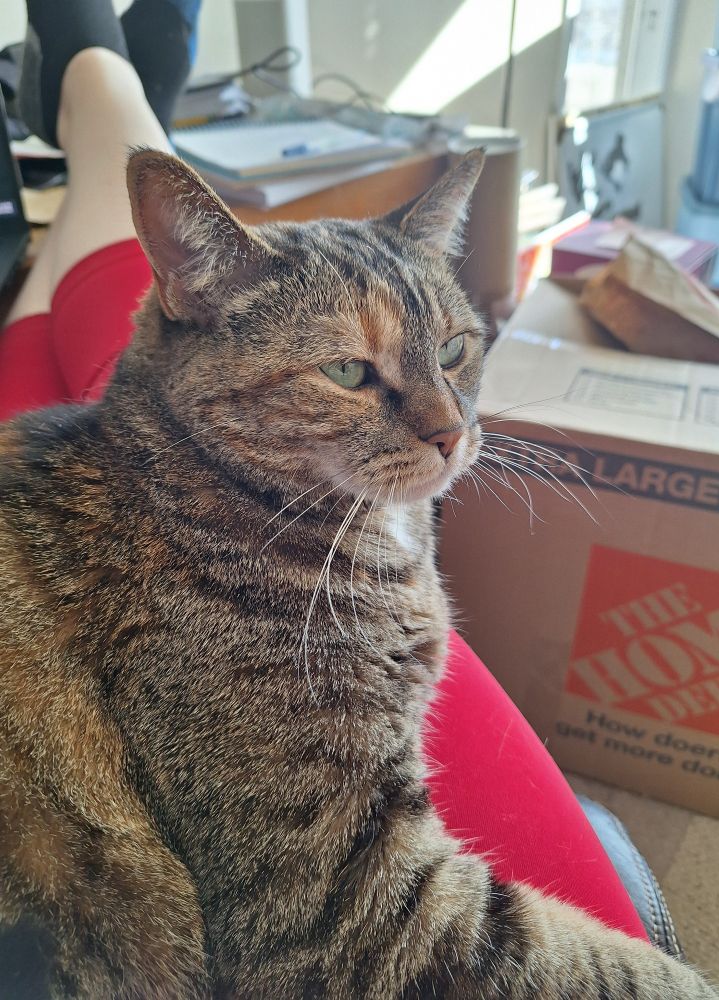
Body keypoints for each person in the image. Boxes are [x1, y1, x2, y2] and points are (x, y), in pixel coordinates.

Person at [0, 0, 648, 949]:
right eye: (354, 372)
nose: (446, 425)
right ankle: (105, 92)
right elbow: (337, 940)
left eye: (456, 352)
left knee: (102, 358)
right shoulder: (201, 596)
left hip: (168, 405)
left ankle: (98, 91)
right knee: (102, 330)